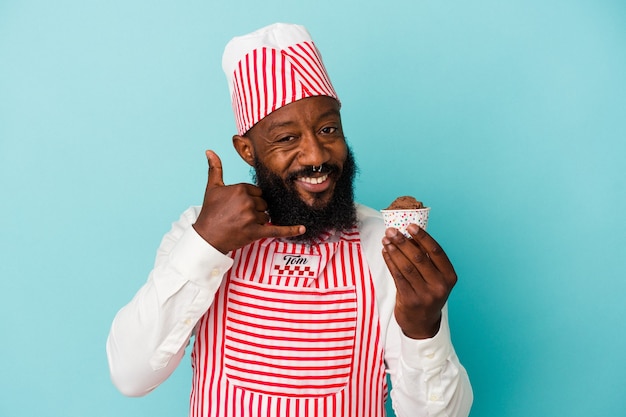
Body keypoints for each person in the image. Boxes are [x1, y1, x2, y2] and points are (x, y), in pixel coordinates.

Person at [106, 22, 473, 417]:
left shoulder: (383, 246)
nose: (316, 155)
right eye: (286, 138)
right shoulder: (198, 232)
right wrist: (207, 243)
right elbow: (131, 376)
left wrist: (423, 327)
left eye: (328, 129)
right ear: (247, 151)